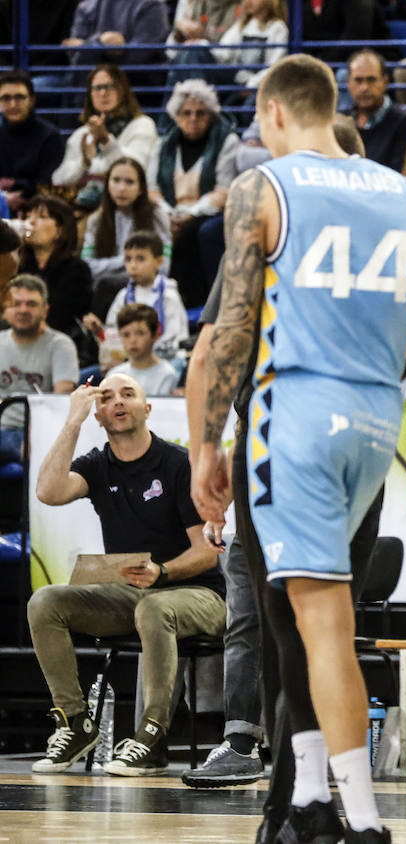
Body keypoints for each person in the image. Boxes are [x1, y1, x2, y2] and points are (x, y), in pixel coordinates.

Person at [190, 54, 406, 843]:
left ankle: (358, 817)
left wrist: (208, 443)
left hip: (296, 414)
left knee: (317, 623)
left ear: (275, 113)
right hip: (379, 423)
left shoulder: (263, 187)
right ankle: (307, 798)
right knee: (303, 613)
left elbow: (233, 327)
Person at [29, 373, 225, 776]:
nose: (117, 401)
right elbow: (48, 491)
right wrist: (72, 422)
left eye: (128, 394)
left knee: (154, 608)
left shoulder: (177, 463)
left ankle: (151, 738)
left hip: (198, 594)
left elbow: (207, 553)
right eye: (107, 397)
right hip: (135, 594)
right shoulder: (98, 465)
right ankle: (76, 722)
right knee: (45, 602)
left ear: (147, 408)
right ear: (98, 415)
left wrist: (163, 571)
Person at [151, 79, 241, 308]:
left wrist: (189, 214)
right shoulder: (163, 144)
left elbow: (223, 191)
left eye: (200, 113)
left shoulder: (226, 141)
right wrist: (171, 214)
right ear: (176, 115)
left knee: (194, 232)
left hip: (210, 212)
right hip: (168, 212)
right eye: (186, 113)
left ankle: (196, 304)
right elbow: (152, 189)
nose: (193, 119)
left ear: (211, 115)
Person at [51, 65, 159, 208]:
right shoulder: (82, 134)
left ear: (123, 90)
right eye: (97, 88)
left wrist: (106, 141)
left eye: (110, 86)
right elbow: (58, 180)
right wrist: (84, 162)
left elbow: (135, 170)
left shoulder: (142, 125)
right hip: (84, 206)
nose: (103, 93)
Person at [0, 275, 78, 465]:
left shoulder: (61, 345)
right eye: (16, 303)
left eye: (31, 304)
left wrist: (35, 437)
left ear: (45, 310)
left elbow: (61, 399)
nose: (23, 310)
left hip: (41, 432)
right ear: (5, 310)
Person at [90, 232, 189, 361]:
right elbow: (114, 331)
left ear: (159, 262)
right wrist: (100, 331)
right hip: (130, 361)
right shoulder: (123, 296)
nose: (133, 265)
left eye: (140, 258)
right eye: (128, 259)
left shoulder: (168, 296)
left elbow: (173, 339)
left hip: (166, 361)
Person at [82, 158, 172, 295]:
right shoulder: (96, 220)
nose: (121, 188)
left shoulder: (157, 216)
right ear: (107, 185)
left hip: (147, 287)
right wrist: (126, 260)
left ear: (141, 188)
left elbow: (163, 267)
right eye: (116, 180)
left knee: (105, 284)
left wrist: (124, 266)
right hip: (102, 285)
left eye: (129, 182)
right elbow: (87, 266)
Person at [15, 195, 91, 342]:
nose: (30, 222)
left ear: (59, 231)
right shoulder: (20, 266)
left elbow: (58, 318)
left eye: (42, 217)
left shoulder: (75, 270)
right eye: (28, 216)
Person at [344, 49, 406, 173]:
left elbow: (400, 175)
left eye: (371, 80)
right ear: (348, 83)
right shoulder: (340, 121)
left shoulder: (405, 123)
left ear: (385, 81)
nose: (364, 87)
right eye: (358, 80)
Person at [0, 70, 64, 211]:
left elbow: (47, 186)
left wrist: (15, 188)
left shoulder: (50, 137)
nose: (12, 104)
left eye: (19, 97)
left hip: (38, 211)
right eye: (6, 98)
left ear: (32, 100)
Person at [211, 0, 289, 91]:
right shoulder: (243, 25)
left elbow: (274, 66)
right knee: (196, 53)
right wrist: (200, 44)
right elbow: (223, 52)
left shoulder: (278, 27)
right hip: (236, 81)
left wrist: (252, 84)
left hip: (259, 85)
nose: (247, 0)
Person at [105, 303, 180, 396]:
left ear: (155, 335)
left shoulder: (168, 375)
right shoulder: (114, 375)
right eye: (126, 335)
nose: (132, 341)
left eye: (140, 333)